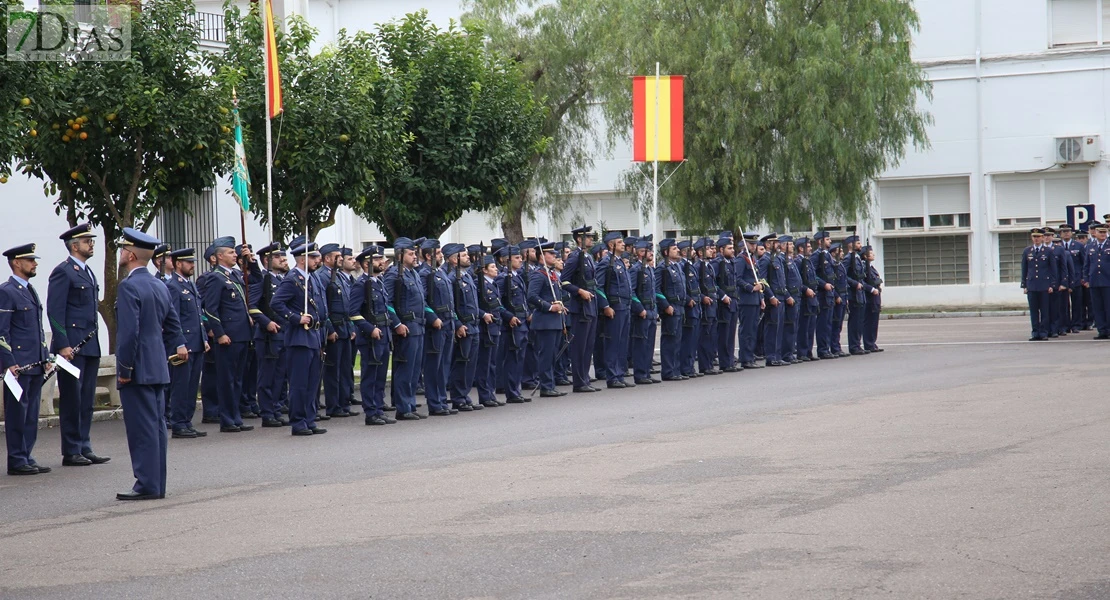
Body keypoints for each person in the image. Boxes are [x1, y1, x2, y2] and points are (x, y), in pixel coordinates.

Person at [114, 228, 187, 500]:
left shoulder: (129, 286)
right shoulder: (160, 285)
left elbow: (128, 334)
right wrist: (179, 346)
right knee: (156, 428)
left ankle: (146, 485)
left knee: (142, 430)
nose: (121, 253)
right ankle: (157, 484)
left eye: (123, 250)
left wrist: (125, 369)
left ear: (131, 254)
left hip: (138, 369)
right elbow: (172, 324)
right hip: (158, 366)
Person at [47, 223, 110, 467]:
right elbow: (55, 310)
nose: (91, 244)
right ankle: (71, 450)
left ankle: (84, 445)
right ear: (74, 246)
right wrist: (62, 344)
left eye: (91, 240)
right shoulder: (64, 271)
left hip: (89, 345)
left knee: (86, 399)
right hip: (71, 347)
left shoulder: (87, 272)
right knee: (72, 399)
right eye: (86, 241)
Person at [1, 243, 53, 476]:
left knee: (31, 414)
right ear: (16, 263)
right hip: (18, 365)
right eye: (30, 260)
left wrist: (45, 356)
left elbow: (37, 330)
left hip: (34, 362)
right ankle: (16, 459)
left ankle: (26, 455)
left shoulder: (30, 290)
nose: (35, 264)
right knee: (17, 415)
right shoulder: (6, 291)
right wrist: (8, 361)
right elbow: (2, 332)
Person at [269, 242, 328, 435]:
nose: (317, 260)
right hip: (299, 338)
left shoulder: (312, 279)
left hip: (314, 336)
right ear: (303, 258)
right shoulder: (292, 279)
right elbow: (276, 303)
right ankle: (298, 422)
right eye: (314, 257)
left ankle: (309, 419)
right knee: (299, 383)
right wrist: (296, 318)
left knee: (312, 384)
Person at [199, 237, 255, 433]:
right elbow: (210, 308)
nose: (235, 255)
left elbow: (254, 281)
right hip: (228, 336)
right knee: (227, 379)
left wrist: (251, 261)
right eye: (231, 252)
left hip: (242, 334)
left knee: (238, 379)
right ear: (220, 256)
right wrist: (220, 333)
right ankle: (227, 419)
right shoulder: (215, 277)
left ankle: (236, 416)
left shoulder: (235, 275)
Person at [165, 248, 210, 438]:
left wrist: (204, 339)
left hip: (196, 342)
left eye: (193, 262)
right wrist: (179, 343)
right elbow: (172, 318)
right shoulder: (173, 286)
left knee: (191, 386)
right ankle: (178, 423)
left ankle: (187, 421)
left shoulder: (189, 285)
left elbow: (198, 316)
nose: (192, 265)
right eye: (188, 262)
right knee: (180, 386)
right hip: (183, 344)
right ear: (177, 264)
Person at [349, 245, 396, 426]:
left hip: (383, 334)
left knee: (381, 375)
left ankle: (378, 409)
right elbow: (353, 312)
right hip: (370, 336)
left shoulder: (378, 282)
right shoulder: (361, 284)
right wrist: (370, 328)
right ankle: (371, 412)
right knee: (370, 375)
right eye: (377, 260)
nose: (381, 262)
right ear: (367, 263)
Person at [385, 238, 429, 420]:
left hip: (418, 326)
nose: (414, 256)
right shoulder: (394, 274)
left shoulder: (413, 274)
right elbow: (386, 302)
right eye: (410, 254)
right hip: (406, 327)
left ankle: (409, 404)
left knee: (414, 369)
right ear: (400, 255)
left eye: (414, 253)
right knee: (405, 368)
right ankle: (403, 407)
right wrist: (396, 324)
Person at [248, 242, 290, 428]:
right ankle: (267, 413)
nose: (283, 259)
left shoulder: (281, 280)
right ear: (266, 260)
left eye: (283, 256)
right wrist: (267, 322)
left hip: (283, 334)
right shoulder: (262, 280)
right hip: (267, 336)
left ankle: (275, 409)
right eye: (278, 256)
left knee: (280, 377)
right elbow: (252, 307)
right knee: (267, 377)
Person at [317, 243, 358, 418]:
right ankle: (333, 406)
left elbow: (346, 305)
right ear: (327, 258)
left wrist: (351, 327)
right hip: (334, 329)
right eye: (337, 256)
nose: (341, 258)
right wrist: (330, 329)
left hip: (345, 328)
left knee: (343, 368)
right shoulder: (323, 277)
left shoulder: (339, 276)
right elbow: (323, 306)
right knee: (333, 370)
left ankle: (343, 403)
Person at [444, 243, 483, 411]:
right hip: (464, 326)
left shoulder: (466, 277)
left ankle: (465, 395)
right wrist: (458, 324)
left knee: (470, 363)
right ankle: (458, 397)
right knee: (461, 362)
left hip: (473, 325)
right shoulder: (453, 278)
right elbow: (451, 305)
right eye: (464, 255)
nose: (468, 257)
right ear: (454, 259)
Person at [561, 226, 600, 393]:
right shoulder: (575, 257)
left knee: (588, 345)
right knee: (579, 347)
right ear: (579, 239)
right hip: (580, 307)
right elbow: (564, 281)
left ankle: (585, 378)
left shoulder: (588, 257)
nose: (591, 240)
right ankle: (578, 381)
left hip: (591, 305)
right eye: (588, 237)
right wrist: (579, 291)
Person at [527, 241, 567, 397]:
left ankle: (549, 384)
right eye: (551, 254)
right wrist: (550, 307)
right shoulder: (539, 274)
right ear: (542, 257)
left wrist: (560, 305)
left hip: (555, 321)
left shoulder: (551, 274)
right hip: (545, 321)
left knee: (552, 355)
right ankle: (546, 386)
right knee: (546, 354)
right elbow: (532, 296)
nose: (555, 256)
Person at [596, 232, 634, 388]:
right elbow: (598, 287)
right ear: (611, 245)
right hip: (615, 307)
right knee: (613, 342)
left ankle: (619, 374)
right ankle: (612, 376)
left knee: (622, 342)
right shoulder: (606, 263)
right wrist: (605, 306)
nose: (623, 244)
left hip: (625, 306)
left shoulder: (618, 262)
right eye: (619, 242)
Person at [497, 246, 529, 403]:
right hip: (511, 323)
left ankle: (517, 389)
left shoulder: (517, 276)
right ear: (507, 260)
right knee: (512, 358)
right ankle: (512, 391)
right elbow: (498, 303)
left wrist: (527, 314)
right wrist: (508, 317)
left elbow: (522, 300)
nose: (520, 259)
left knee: (519, 358)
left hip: (522, 321)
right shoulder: (503, 278)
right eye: (517, 258)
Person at [474, 254, 506, 408]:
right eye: (492, 267)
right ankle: (484, 395)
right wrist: (482, 315)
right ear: (484, 270)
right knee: (484, 363)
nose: (496, 269)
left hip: (495, 325)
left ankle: (490, 393)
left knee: (492, 362)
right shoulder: (479, 284)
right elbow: (475, 305)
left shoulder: (493, 284)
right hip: (485, 327)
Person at [656, 238, 687, 380]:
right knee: (669, 340)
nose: (678, 250)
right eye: (674, 249)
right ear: (666, 252)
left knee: (677, 340)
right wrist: (665, 305)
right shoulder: (662, 267)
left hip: (679, 306)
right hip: (670, 307)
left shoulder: (677, 266)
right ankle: (668, 371)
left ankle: (675, 369)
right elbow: (656, 289)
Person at [629, 239, 660, 384]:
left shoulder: (649, 269)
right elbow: (632, 292)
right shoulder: (636, 270)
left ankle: (646, 372)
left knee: (649, 344)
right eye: (648, 251)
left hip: (651, 311)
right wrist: (639, 309)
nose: (651, 254)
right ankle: (640, 374)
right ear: (640, 254)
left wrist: (656, 310)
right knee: (641, 344)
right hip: (642, 312)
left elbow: (653, 292)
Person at [1023, 228, 1058, 341]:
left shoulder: (1048, 251)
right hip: (1032, 285)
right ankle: (1035, 332)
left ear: (1042, 238)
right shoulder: (1027, 251)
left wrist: (1052, 284)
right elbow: (1024, 269)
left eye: (1038, 237)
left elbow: (1053, 270)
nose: (1036, 239)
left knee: (1044, 311)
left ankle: (1043, 332)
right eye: (1034, 237)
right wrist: (1024, 285)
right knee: (1034, 311)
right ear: (1032, 238)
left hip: (1044, 285)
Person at [736, 234, 765, 369]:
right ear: (745, 244)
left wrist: (761, 298)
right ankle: (745, 358)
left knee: (753, 330)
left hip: (755, 300)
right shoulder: (741, 260)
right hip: (746, 300)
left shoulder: (753, 259)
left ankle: (750, 355)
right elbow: (738, 279)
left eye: (755, 244)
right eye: (751, 244)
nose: (754, 246)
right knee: (746, 330)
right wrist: (751, 288)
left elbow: (758, 278)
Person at [757, 234, 786, 367]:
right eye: (775, 242)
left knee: (778, 328)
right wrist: (771, 296)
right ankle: (770, 356)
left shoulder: (776, 259)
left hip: (780, 297)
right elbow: (763, 280)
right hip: (773, 298)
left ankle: (777, 355)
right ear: (768, 244)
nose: (778, 244)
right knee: (772, 327)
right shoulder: (765, 260)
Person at [714, 236, 740, 372]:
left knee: (730, 334)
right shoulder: (717, 263)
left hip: (733, 301)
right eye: (729, 248)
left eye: (732, 248)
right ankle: (724, 362)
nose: (732, 250)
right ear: (721, 249)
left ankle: (730, 361)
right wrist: (722, 296)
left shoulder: (731, 263)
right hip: (724, 302)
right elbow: (713, 283)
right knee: (723, 334)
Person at [678, 240, 703, 378]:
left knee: (693, 339)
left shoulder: (690, 265)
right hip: (689, 306)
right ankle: (685, 367)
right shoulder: (682, 266)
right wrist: (688, 300)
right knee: (687, 339)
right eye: (691, 249)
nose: (694, 251)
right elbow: (683, 287)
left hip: (696, 305)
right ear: (684, 252)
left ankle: (690, 366)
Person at [812, 232, 838, 359]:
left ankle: (827, 348)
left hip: (830, 293)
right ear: (820, 241)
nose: (830, 241)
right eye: (827, 239)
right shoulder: (816, 256)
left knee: (828, 322)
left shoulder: (827, 255)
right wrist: (823, 284)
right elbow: (812, 275)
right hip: (822, 293)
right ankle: (822, 349)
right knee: (822, 323)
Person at [844, 235, 867, 355]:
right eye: (858, 243)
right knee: (854, 321)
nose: (860, 245)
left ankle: (857, 344)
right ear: (851, 245)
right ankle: (853, 345)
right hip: (853, 294)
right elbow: (844, 275)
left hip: (860, 293)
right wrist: (854, 284)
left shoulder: (857, 258)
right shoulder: (848, 258)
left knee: (859, 321)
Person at [862, 245, 884, 352]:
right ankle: (868, 343)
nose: (873, 254)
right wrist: (871, 289)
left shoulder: (870, 267)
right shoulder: (864, 267)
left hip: (875, 298)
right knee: (869, 321)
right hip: (870, 298)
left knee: (874, 322)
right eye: (870, 253)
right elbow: (863, 282)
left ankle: (872, 342)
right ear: (865, 256)